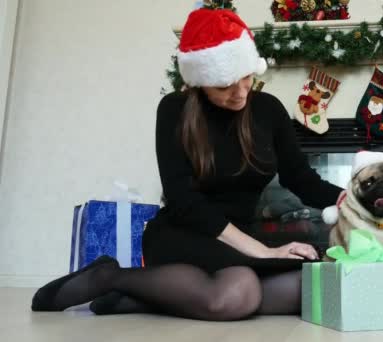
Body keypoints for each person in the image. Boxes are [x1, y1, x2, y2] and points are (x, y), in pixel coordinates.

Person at [30, 8, 342, 321]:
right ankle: (109, 276)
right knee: (238, 294)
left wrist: (352, 199)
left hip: (239, 233)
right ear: (199, 81)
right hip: (184, 232)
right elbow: (182, 199)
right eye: (224, 86)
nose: (240, 92)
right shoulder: (174, 110)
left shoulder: (268, 109)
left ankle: (147, 299)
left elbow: (300, 177)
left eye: (246, 77)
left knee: (306, 283)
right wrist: (261, 251)